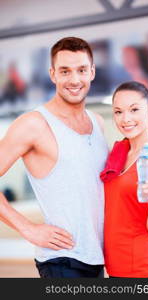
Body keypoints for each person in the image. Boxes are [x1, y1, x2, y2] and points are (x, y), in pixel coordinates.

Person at [0, 37, 109, 278]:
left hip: (97, 257)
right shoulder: (33, 124)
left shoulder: (97, 122)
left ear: (91, 72)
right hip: (61, 260)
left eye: (81, 70)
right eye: (65, 71)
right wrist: (28, 228)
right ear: (52, 74)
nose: (74, 79)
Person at [102, 81, 148, 278]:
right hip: (116, 268)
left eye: (134, 109)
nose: (125, 119)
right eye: (118, 112)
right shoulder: (118, 152)